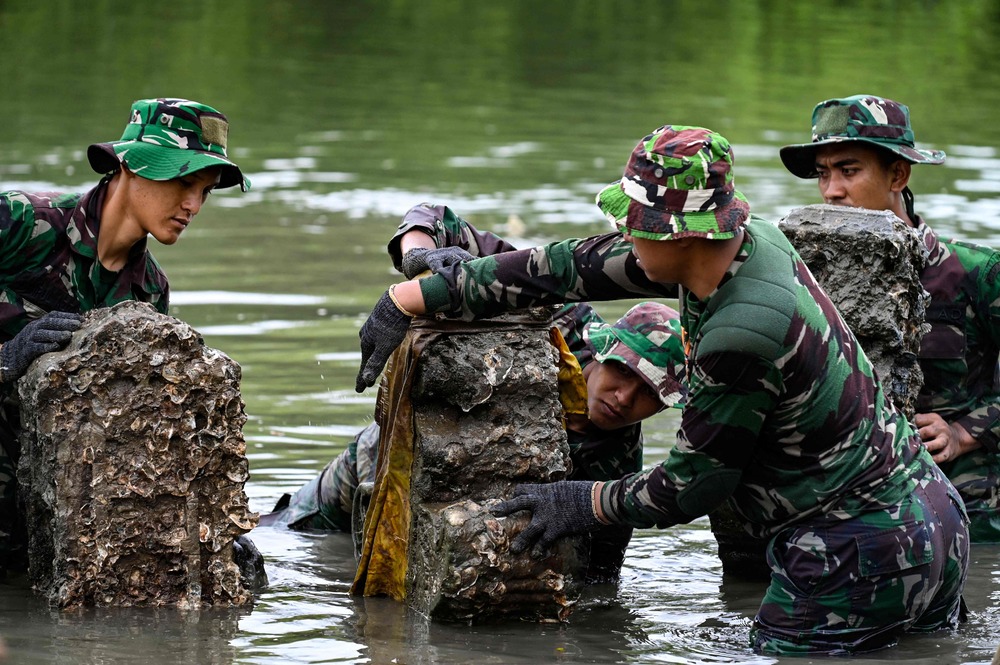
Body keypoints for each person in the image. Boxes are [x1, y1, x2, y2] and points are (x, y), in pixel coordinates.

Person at [352, 124, 969, 655]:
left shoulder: (742, 332)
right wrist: (413, 295)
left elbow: (692, 485)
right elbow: (568, 266)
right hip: (930, 521)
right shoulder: (745, 244)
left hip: (855, 552)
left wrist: (582, 502)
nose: (624, 236)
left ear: (681, 236)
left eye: (635, 224)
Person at [262, 205, 688, 581]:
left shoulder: (618, 460)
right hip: (384, 450)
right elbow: (435, 218)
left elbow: (603, 571)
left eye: (649, 393)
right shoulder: (558, 315)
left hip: (446, 504)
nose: (624, 398)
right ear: (606, 349)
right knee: (282, 536)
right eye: (624, 373)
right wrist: (419, 258)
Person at [0, 97, 255, 578]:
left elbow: (142, 440)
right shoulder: (18, 224)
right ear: (132, 166)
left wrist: (218, 532)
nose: (194, 206)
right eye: (183, 182)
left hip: (34, 529)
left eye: (205, 191)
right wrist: (5, 357)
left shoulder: (148, 296)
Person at [780, 94, 1000, 543]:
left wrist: (964, 432)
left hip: (966, 509)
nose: (831, 191)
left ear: (898, 174)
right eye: (823, 174)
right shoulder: (805, 275)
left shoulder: (977, 272)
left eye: (849, 170)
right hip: (847, 505)